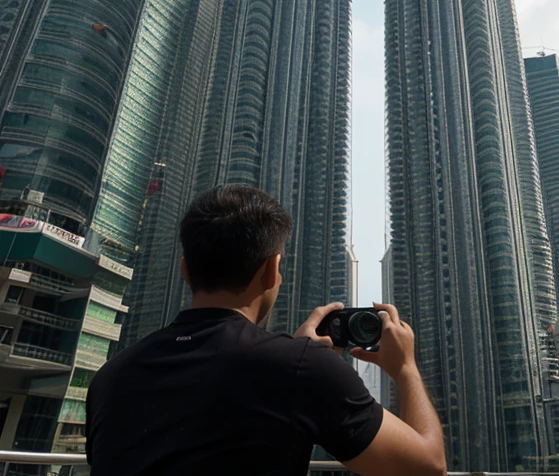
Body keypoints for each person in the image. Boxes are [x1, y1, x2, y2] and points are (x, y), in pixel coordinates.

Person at [86, 185, 446, 476]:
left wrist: (297, 358)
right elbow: (429, 467)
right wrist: (405, 369)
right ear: (271, 271)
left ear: (186, 270)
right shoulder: (300, 369)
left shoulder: (110, 377)